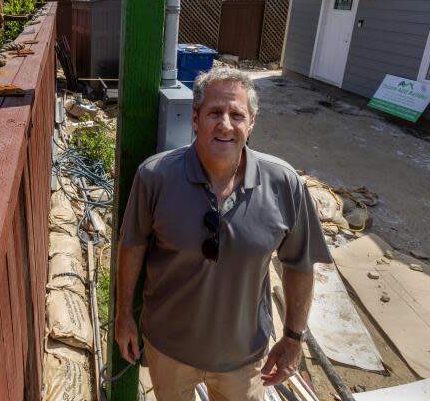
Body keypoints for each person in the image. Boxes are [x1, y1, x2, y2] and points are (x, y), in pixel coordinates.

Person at [115, 67, 331, 401]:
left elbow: (300, 264)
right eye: (215, 112)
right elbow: (133, 245)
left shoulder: (283, 184)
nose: (225, 124)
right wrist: (123, 316)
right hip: (168, 350)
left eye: (237, 115)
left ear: (252, 122)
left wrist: (292, 338)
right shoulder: (155, 177)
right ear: (195, 119)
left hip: (244, 359)